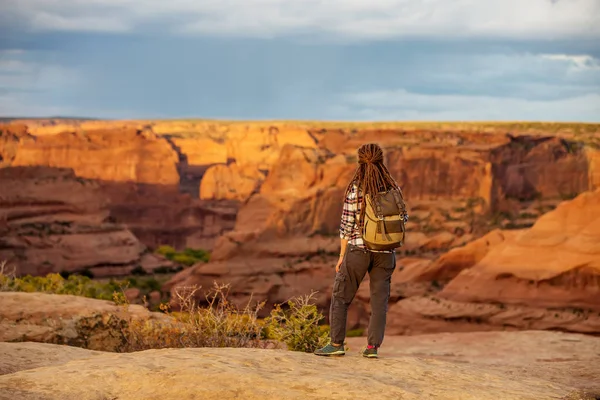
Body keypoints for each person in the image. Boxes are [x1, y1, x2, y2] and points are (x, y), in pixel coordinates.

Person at [314, 143, 406, 359]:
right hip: (386, 253)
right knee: (379, 302)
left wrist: (341, 256)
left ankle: (336, 344)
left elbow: (346, 225)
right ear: (381, 161)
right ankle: (372, 348)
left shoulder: (356, 188)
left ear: (360, 162)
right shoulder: (393, 188)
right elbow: (404, 219)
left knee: (341, 297)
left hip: (358, 250)